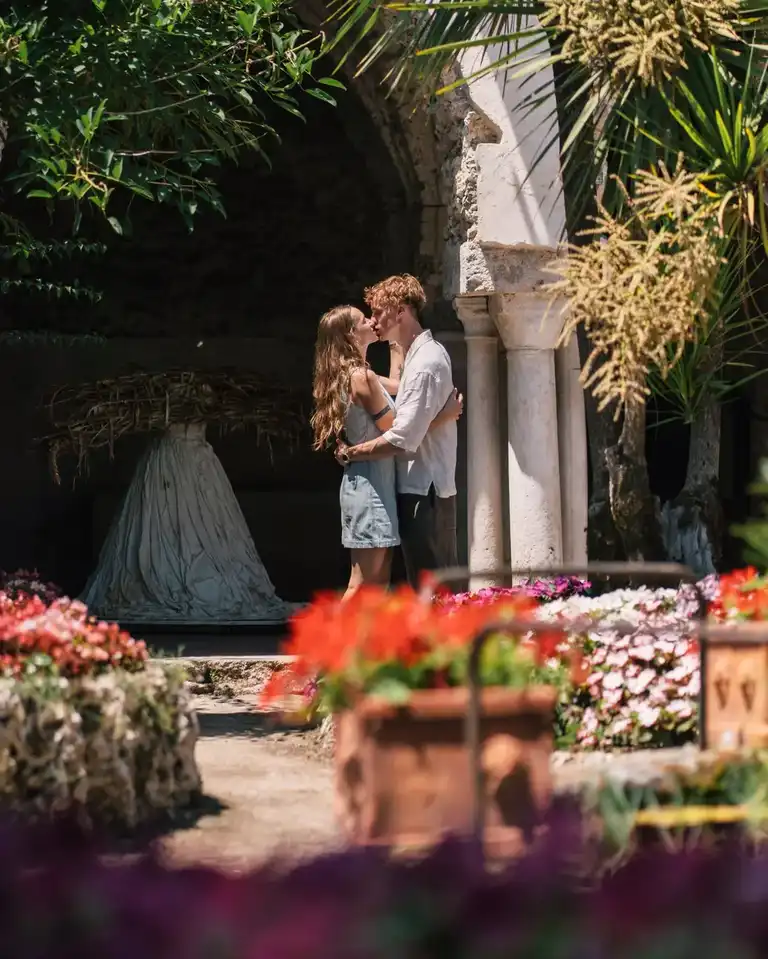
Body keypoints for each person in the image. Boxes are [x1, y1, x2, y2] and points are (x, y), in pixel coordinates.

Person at [311, 304, 462, 600]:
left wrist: (396, 341)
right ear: (352, 335)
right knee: (362, 582)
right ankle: (324, 643)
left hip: (377, 482)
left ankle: (362, 645)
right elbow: (398, 430)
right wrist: (445, 415)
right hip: (371, 487)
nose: (371, 320)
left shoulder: (362, 375)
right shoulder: (361, 378)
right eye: (363, 319)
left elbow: (399, 388)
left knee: (378, 583)